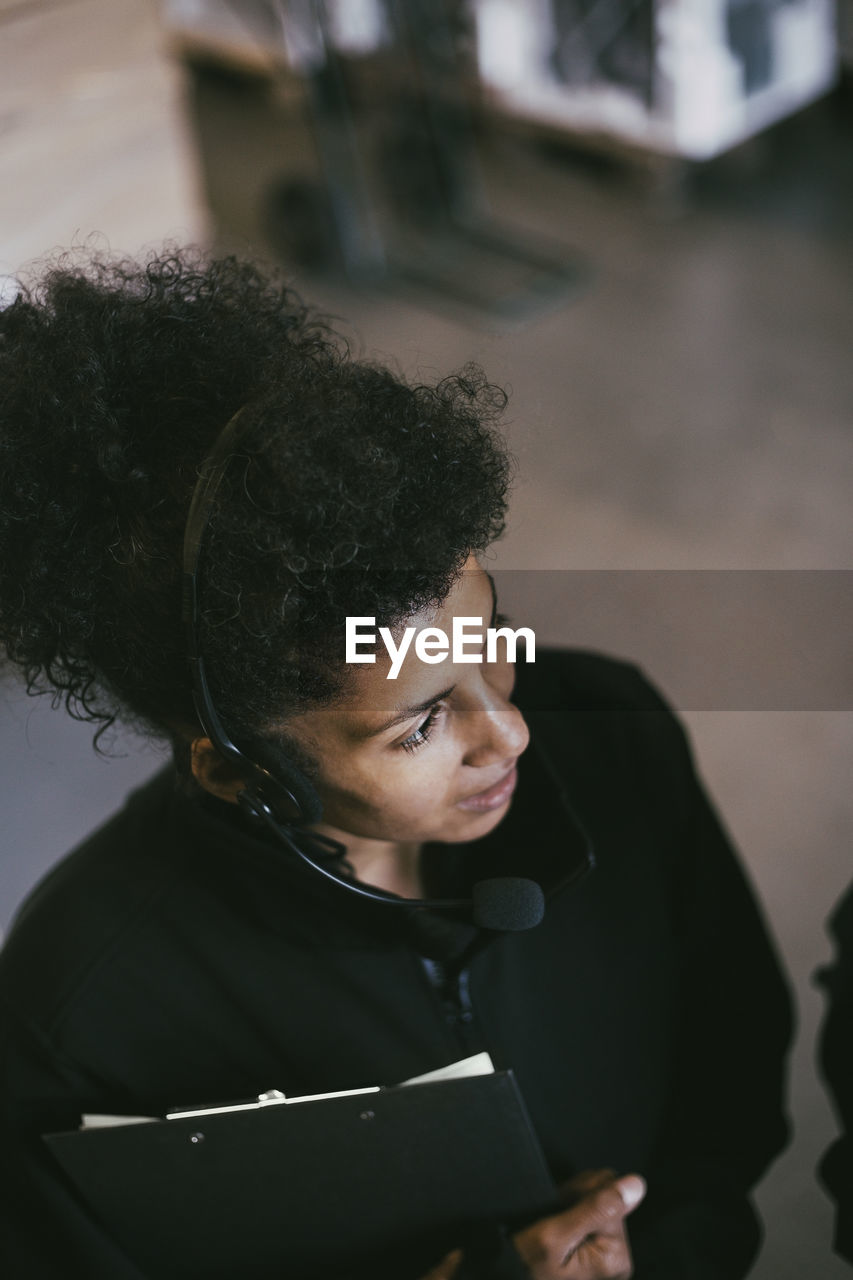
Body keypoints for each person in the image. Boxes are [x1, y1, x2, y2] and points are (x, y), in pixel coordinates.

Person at [0, 248, 793, 1279]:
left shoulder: (611, 726)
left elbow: (730, 1059)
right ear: (239, 771)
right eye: (418, 725)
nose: (507, 732)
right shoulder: (81, 1011)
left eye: (493, 641)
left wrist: (670, 1251)